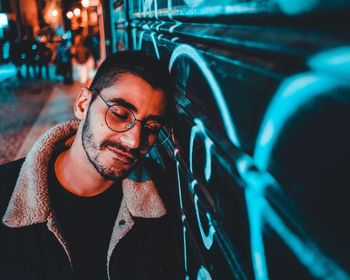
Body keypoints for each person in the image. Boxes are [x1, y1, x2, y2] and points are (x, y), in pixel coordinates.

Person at [0, 51, 178, 279]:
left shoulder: (164, 200)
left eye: (151, 128)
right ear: (83, 105)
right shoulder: (5, 193)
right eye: (120, 114)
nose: (134, 141)